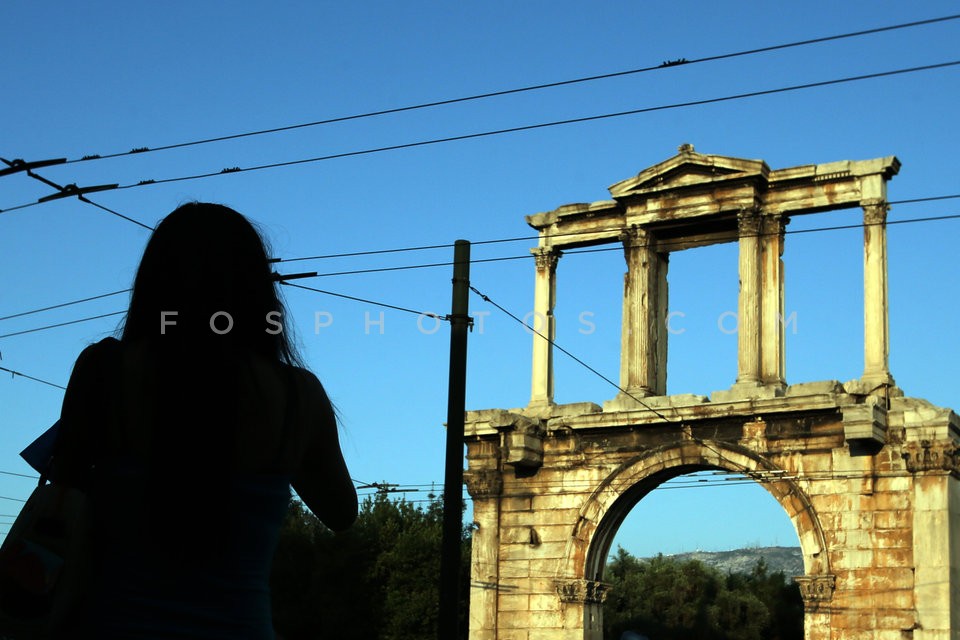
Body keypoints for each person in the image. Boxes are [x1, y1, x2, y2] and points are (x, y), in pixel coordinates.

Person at [49, 202, 357, 638]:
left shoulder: (104, 370)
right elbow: (341, 512)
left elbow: (62, 499)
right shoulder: (296, 395)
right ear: (256, 289)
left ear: (154, 282)